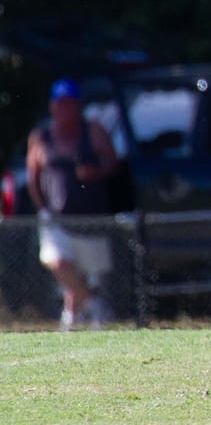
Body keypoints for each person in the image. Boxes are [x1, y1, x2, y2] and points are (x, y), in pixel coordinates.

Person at [26, 78, 124, 330]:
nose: (65, 109)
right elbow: (33, 177)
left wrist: (95, 172)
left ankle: (73, 318)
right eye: (60, 104)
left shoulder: (92, 131)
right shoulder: (41, 138)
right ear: (53, 106)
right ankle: (94, 306)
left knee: (85, 273)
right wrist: (43, 208)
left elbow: (113, 163)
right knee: (56, 262)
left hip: (89, 217)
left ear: (78, 106)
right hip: (56, 217)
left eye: (70, 104)